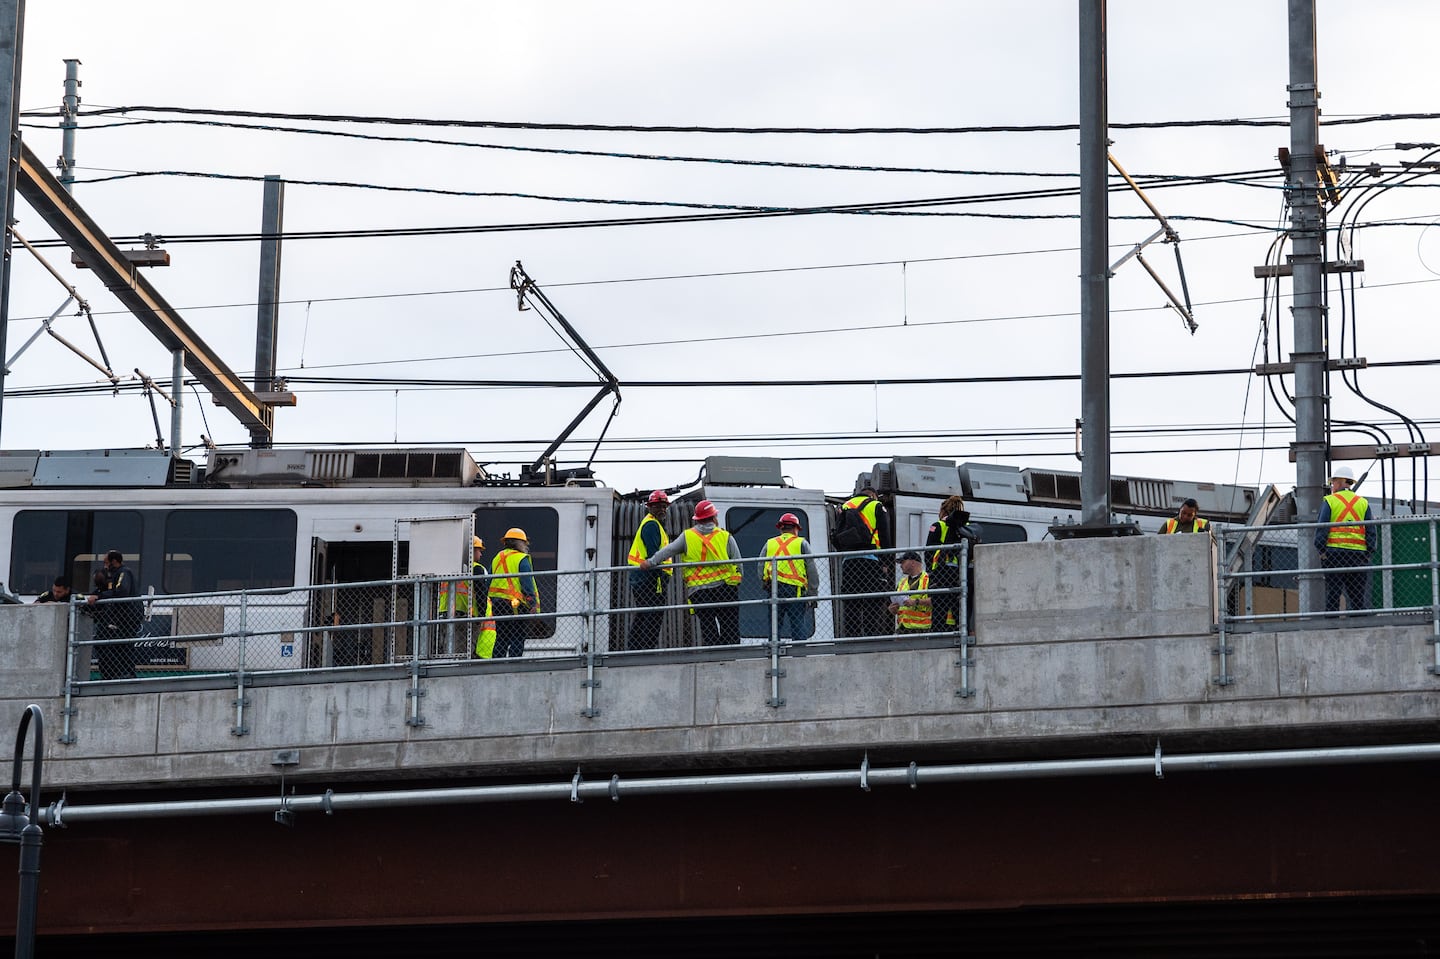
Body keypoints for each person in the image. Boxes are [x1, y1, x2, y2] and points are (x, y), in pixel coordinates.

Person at [640, 500, 742, 646]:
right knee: (730, 627)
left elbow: (666, 551)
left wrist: (649, 562)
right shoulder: (725, 536)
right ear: (713, 518)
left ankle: (714, 656)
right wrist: (736, 582)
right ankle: (730, 656)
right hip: (725, 589)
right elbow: (738, 562)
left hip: (699, 592)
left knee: (708, 629)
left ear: (697, 519)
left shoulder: (688, 536)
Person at [1314, 465, 1373, 613]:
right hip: (1358, 555)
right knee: (1357, 596)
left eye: (1333, 482)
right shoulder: (1363, 502)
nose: (1332, 486)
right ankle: (1359, 626)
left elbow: (1322, 527)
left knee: (1333, 593)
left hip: (1334, 554)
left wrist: (1321, 550)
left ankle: (1331, 626)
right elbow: (1371, 530)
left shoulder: (1330, 501)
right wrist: (1368, 553)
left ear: (1340, 482)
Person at [837, 485, 892, 638]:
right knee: (872, 605)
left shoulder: (844, 506)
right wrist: (886, 562)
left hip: (848, 563)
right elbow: (884, 536)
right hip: (871, 562)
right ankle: (871, 640)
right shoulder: (876, 506)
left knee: (851, 605)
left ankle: (851, 640)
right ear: (873, 496)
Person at [925, 495, 980, 635]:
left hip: (943, 572)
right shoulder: (968, 528)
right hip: (965, 572)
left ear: (943, 511)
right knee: (962, 610)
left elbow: (929, 552)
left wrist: (931, 573)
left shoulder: (938, 526)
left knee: (940, 610)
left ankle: (938, 637)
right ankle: (964, 636)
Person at [760, 512, 818, 642]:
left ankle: (773, 652)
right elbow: (811, 569)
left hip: (773, 588)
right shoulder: (802, 543)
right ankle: (799, 653)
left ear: (781, 528)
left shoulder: (770, 543)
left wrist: (764, 582)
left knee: (774, 625)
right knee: (797, 623)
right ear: (796, 528)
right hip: (795, 590)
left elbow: (760, 565)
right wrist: (813, 593)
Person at [627, 490, 673, 650]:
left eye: (664, 506)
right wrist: (659, 577)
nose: (662, 510)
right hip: (650, 578)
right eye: (658, 506)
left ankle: (635, 649)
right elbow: (654, 554)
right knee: (653, 615)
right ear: (649, 507)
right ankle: (645, 649)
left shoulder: (651, 523)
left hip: (644, 577)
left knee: (644, 614)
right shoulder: (652, 525)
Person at [86, 549, 141, 679]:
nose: (105, 566)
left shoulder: (124, 572)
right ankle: (114, 674)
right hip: (121, 616)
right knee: (115, 645)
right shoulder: (115, 575)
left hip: (127, 616)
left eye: (106, 563)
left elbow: (121, 592)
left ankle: (127, 673)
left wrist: (99, 596)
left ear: (114, 561)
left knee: (124, 645)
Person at [488, 527, 539, 658]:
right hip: (515, 604)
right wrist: (532, 602)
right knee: (518, 635)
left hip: (498, 603)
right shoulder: (522, 558)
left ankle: (496, 663)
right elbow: (526, 582)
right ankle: (514, 663)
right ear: (519, 543)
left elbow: (488, 580)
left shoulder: (497, 557)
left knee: (502, 636)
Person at [437, 536, 487, 656]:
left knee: (448, 648)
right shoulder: (476, 569)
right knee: (463, 650)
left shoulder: (448, 568)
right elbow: (481, 593)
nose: (480, 555)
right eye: (479, 550)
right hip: (465, 614)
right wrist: (481, 615)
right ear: (472, 551)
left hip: (445, 613)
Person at [888, 551, 931, 635]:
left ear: (912, 562)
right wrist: (893, 609)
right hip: (903, 628)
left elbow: (937, 601)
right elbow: (900, 606)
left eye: (903, 562)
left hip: (922, 629)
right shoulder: (902, 582)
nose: (900, 565)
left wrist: (916, 602)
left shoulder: (928, 579)